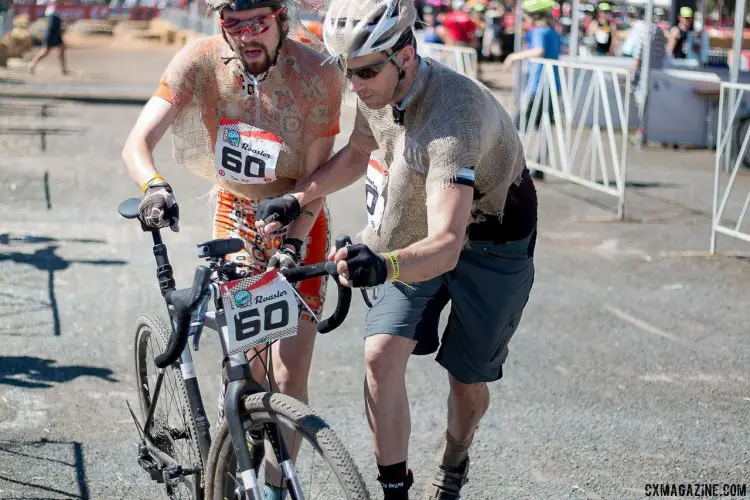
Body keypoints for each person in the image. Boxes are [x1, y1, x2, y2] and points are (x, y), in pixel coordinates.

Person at [254, 0, 538, 498]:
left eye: (365, 72)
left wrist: (383, 265)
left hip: (492, 236)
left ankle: (454, 456)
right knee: (381, 353)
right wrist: (298, 197)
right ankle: (395, 491)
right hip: (415, 221)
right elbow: (359, 154)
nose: (355, 86)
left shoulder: (452, 118)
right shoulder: (375, 85)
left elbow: (447, 244)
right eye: (346, 71)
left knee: (465, 382)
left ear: (406, 55)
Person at [120, 0, 343, 498]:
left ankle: (270, 487)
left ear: (281, 19)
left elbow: (315, 180)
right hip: (237, 215)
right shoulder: (199, 59)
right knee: (249, 367)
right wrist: (153, 185)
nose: (246, 36)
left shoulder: (317, 73)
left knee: (288, 373)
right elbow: (138, 141)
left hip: (296, 217)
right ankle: (231, 441)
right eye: (233, 24)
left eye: (258, 23)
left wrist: (292, 240)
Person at [503, 0, 561, 180]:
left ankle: (509, 166)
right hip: (553, 85)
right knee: (543, 127)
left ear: (535, 16)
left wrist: (514, 56)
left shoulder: (539, 32)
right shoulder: (553, 32)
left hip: (538, 86)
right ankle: (540, 165)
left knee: (517, 126)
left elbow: (538, 51)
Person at [28, 0, 68, 75]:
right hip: (51, 33)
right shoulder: (51, 11)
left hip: (56, 33)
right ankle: (32, 64)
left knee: (61, 49)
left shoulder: (55, 11)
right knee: (45, 51)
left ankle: (64, 69)